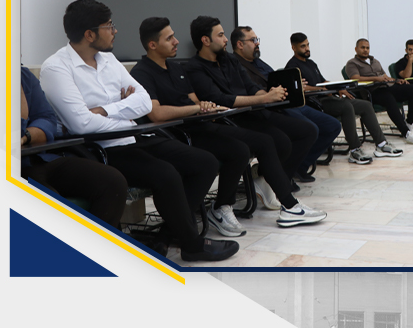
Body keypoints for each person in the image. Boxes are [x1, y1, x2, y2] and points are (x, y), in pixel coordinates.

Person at [40, 0, 239, 261]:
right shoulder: (56, 68)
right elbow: (82, 124)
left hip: (136, 135)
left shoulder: (108, 59)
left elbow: (144, 102)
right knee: (166, 174)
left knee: (205, 162)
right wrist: (124, 109)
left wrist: (105, 110)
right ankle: (193, 245)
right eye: (109, 26)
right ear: (89, 34)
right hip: (103, 148)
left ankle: (166, 236)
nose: (115, 31)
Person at [130, 17, 326, 230]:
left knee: (275, 140)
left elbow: (196, 100)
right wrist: (200, 107)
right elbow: (158, 114)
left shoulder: (177, 68)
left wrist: (205, 106)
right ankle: (282, 205)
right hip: (183, 132)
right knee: (255, 145)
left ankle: (241, 202)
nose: (176, 41)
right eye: (170, 38)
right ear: (152, 44)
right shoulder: (145, 72)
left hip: (204, 123)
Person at [184, 16, 320, 198]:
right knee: (278, 141)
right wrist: (264, 98)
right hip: (231, 119)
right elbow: (221, 99)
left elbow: (251, 87)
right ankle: (277, 188)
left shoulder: (230, 60)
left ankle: (267, 181)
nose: (226, 40)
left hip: (253, 113)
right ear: (205, 40)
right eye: (221, 35)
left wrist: (269, 95)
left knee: (305, 131)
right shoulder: (194, 68)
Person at [20, 66, 128, 229]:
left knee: (112, 181)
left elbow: (47, 119)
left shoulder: (24, 75)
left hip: (40, 158)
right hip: (9, 166)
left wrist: (27, 136)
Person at [230, 26, 341, 183]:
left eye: (257, 39)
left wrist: (295, 84)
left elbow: (275, 79)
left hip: (289, 101)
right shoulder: (236, 65)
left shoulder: (258, 61)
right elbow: (254, 91)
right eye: (253, 40)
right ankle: (285, 175)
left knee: (333, 126)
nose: (257, 43)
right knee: (310, 130)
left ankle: (300, 166)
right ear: (240, 44)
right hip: (272, 107)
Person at [286, 32, 404, 164]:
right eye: (303, 46)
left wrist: (338, 87)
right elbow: (300, 89)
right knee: (346, 106)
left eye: (308, 45)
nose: (307, 49)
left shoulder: (311, 63)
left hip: (327, 98)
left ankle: (381, 145)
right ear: (294, 47)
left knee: (365, 105)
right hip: (313, 103)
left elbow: (322, 81)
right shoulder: (292, 67)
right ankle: (355, 150)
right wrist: (320, 89)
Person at [345, 38, 413, 144]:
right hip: (372, 91)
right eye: (362, 47)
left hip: (387, 86)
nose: (365, 50)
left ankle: (410, 122)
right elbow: (355, 78)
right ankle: (406, 133)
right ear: (356, 49)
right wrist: (376, 79)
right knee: (389, 98)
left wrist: (397, 80)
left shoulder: (375, 61)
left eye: (367, 48)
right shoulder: (352, 63)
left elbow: (385, 76)